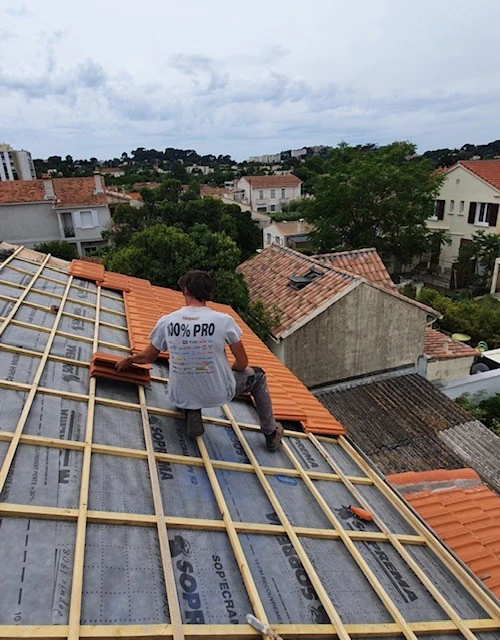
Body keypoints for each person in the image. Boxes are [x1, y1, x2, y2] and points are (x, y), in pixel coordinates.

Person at [116, 270, 283, 450]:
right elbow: (242, 362)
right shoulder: (224, 321)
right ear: (208, 294)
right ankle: (270, 433)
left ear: (186, 291)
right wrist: (232, 371)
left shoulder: (167, 321)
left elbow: (147, 357)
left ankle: (192, 410)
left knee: (189, 376)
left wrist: (129, 360)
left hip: (179, 395)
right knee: (258, 376)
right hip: (218, 393)